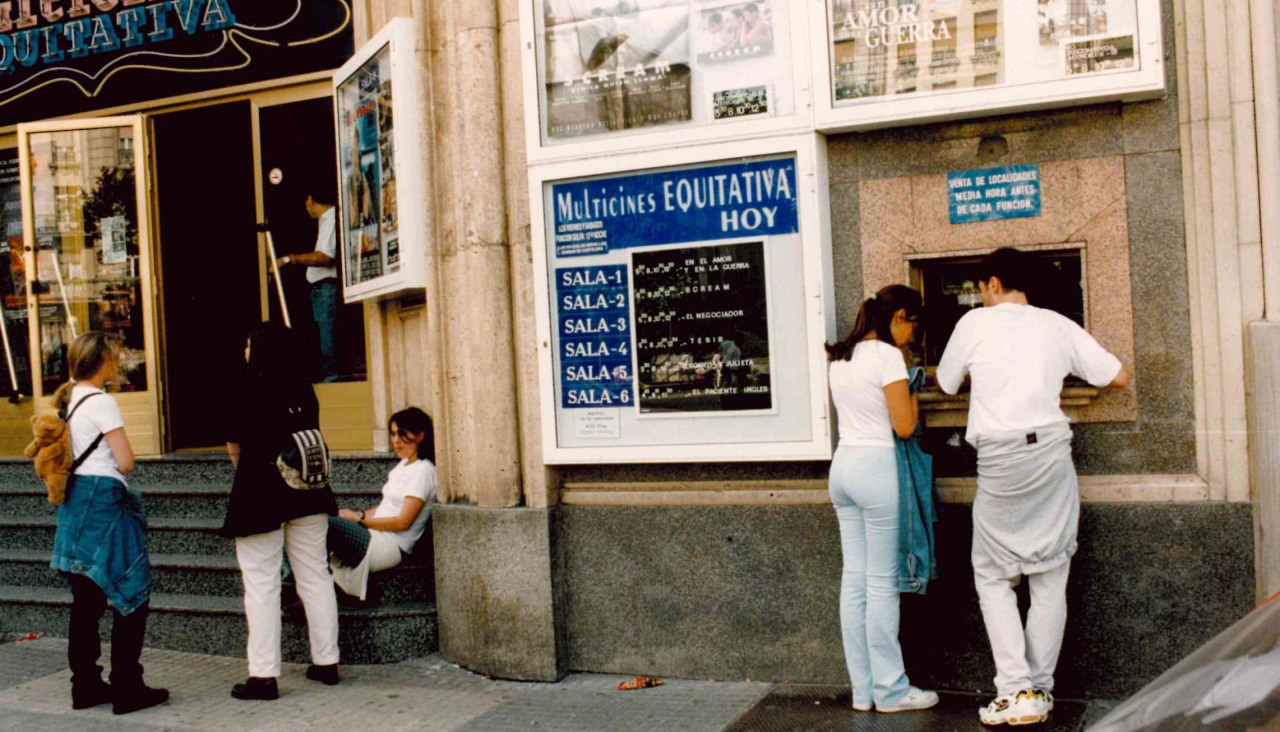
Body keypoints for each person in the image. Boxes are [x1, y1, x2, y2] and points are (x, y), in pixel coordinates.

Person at [936, 247, 1130, 726]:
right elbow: (1119, 375)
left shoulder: (974, 326)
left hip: (1001, 458)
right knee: (1050, 576)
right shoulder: (1056, 324)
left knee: (992, 574)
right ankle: (1039, 693)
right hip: (1051, 450)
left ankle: (1014, 689)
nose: (981, 297)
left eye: (980, 289)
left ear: (994, 284)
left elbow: (944, 383)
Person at [825, 284, 939, 714]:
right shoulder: (889, 357)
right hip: (877, 468)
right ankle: (891, 691)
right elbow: (905, 426)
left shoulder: (841, 357)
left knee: (853, 580)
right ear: (898, 318)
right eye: (914, 323)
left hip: (844, 468)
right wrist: (911, 384)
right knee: (882, 584)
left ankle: (863, 690)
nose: (914, 333)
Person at [49, 331, 169, 715]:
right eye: (115, 356)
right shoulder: (102, 401)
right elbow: (126, 460)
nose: (119, 362)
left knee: (86, 599)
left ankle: (84, 685)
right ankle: (127, 686)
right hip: (105, 501)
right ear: (103, 362)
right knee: (132, 594)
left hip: (76, 502)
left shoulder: (71, 401)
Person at [222, 323, 341, 700]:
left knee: (261, 584)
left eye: (248, 343)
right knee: (315, 576)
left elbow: (235, 449)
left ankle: (264, 676)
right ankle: (327, 662)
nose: (244, 350)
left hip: (260, 495)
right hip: (310, 493)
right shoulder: (304, 389)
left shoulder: (246, 386)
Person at [328, 407, 437, 601]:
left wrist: (360, 520)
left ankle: (298, 588)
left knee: (326, 524)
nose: (396, 441)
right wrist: (357, 515)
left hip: (390, 546)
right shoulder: (403, 465)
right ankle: (303, 588)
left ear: (420, 435)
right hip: (374, 535)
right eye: (393, 434)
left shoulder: (424, 471)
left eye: (403, 434)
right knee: (321, 519)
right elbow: (383, 508)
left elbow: (402, 522)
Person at [276, 190, 340, 382]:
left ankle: (333, 383)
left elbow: (325, 257)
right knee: (323, 339)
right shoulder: (325, 220)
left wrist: (290, 259)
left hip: (326, 288)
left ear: (310, 200)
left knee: (328, 341)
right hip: (320, 289)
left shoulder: (331, 218)